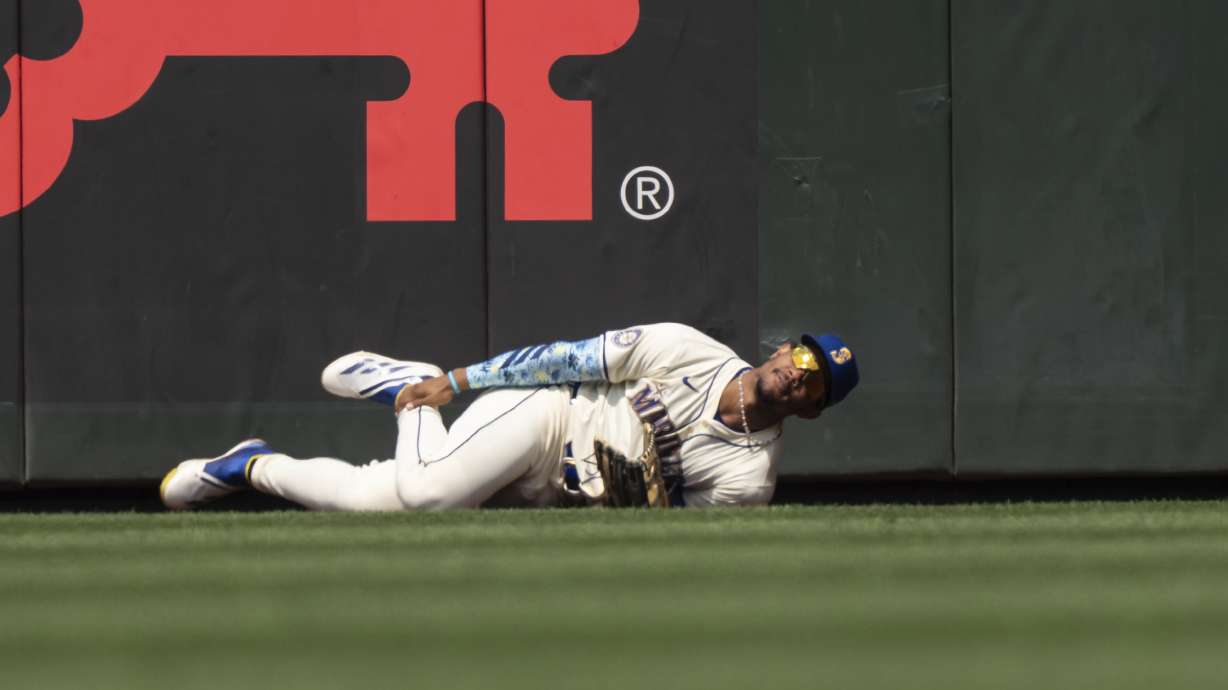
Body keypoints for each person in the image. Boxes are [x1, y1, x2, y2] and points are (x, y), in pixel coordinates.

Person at [159, 322, 859, 510]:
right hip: (543, 419)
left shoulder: (748, 482)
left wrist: (642, 504)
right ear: (780, 348)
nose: (796, 377)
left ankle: (250, 465)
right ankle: (409, 389)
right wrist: (457, 382)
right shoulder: (688, 351)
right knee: (430, 494)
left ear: (815, 412)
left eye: (813, 384)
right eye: (800, 359)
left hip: (559, 490)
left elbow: (677, 550)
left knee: (382, 503)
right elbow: (565, 360)